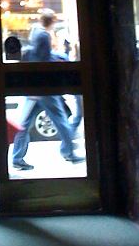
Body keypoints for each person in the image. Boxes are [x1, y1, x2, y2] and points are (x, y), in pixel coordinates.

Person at [12, 10, 85, 171]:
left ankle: (17, 158)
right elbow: (44, 60)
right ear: (51, 21)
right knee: (61, 120)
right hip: (44, 87)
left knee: (24, 124)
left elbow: (40, 56)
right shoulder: (44, 36)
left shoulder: (35, 31)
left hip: (33, 86)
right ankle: (69, 152)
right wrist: (63, 58)